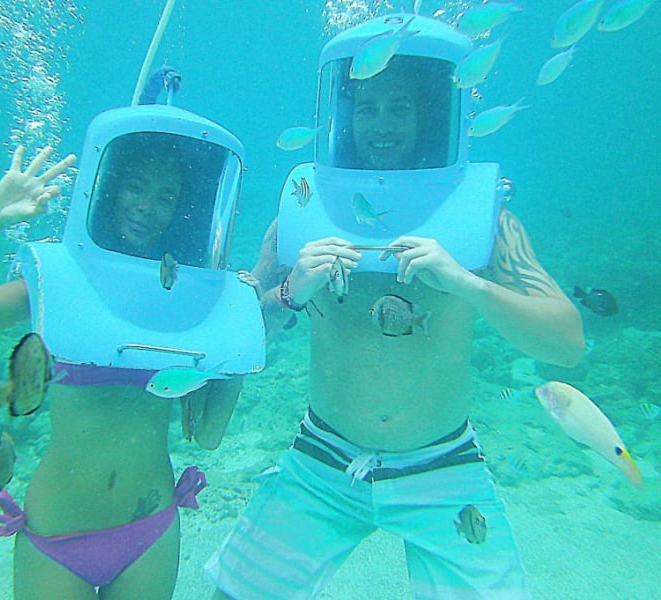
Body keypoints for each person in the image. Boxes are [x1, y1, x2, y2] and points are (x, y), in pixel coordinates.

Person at [206, 14, 585, 600]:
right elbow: (234, 342)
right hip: (321, 458)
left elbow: (567, 343)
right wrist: (288, 292)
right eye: (367, 108)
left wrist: (466, 283)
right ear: (344, 116)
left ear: (428, 114)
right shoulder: (303, 211)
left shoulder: (484, 220)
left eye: (400, 108)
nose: (381, 124)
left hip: (443, 463)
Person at [0, 83, 264, 598]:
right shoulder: (58, 284)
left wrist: (239, 328)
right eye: (135, 186)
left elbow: (207, 435)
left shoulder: (187, 299)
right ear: (108, 185)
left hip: (150, 532)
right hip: (55, 537)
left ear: (184, 208)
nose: (147, 207)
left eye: (166, 196)